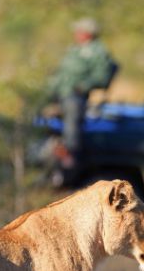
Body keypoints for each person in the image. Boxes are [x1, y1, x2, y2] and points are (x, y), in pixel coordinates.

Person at [47, 18, 116, 181]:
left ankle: (70, 157)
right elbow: (62, 72)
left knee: (72, 119)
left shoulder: (98, 51)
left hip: (75, 95)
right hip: (59, 93)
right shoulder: (74, 49)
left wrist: (83, 87)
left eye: (79, 31)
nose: (75, 34)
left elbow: (102, 76)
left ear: (87, 33)